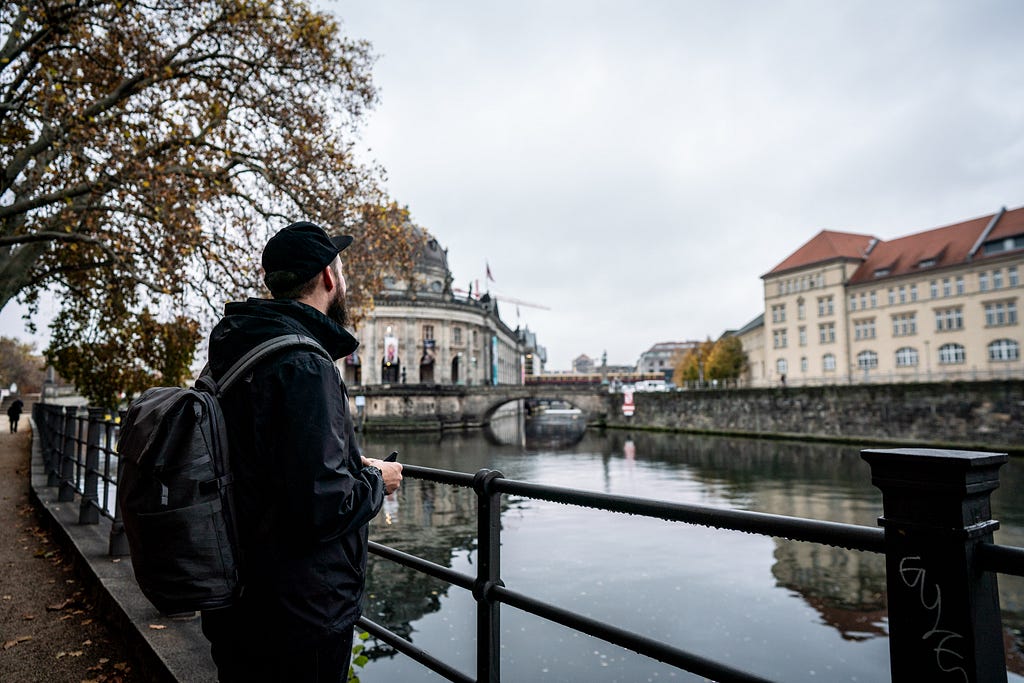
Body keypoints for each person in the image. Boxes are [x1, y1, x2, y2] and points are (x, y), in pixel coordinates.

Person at [200, 221, 403, 682]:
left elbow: (265, 460)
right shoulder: (307, 364)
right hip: (300, 612)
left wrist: (352, 464)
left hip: (237, 595)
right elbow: (322, 507)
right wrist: (378, 480)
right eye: (343, 271)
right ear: (330, 277)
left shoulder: (234, 350)